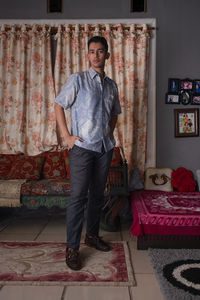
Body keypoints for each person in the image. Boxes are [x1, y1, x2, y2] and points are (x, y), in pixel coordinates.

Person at [54, 36, 121, 270]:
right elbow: (59, 105)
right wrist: (67, 137)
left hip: (104, 149)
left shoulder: (112, 85)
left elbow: (114, 114)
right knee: (78, 198)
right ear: (87, 55)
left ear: (107, 55)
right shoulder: (78, 80)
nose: (96, 55)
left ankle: (92, 237)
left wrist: (109, 136)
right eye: (92, 51)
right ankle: (72, 248)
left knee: (97, 197)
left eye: (100, 51)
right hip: (82, 149)